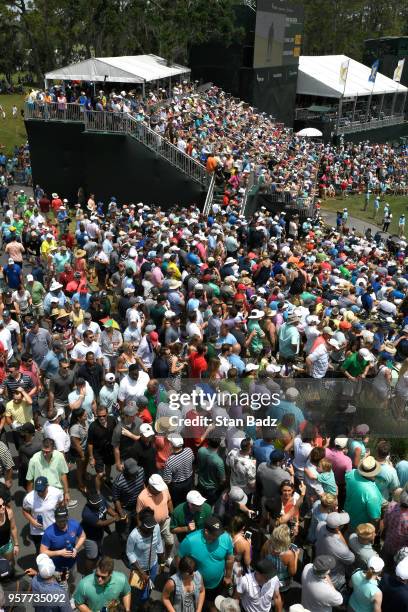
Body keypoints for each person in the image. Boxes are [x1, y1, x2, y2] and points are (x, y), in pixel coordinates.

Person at [176, 516, 234, 603]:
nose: (219, 536)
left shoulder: (225, 538)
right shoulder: (190, 541)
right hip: (196, 584)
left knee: (212, 604)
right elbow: (178, 559)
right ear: (206, 531)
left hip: (217, 584)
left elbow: (229, 559)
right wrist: (183, 579)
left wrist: (228, 576)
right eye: (216, 534)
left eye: (220, 533)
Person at [126, 507, 165, 604]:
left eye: (152, 526)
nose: (152, 529)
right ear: (142, 524)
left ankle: (144, 604)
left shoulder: (155, 527)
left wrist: (162, 563)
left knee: (148, 588)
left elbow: (159, 544)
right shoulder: (133, 535)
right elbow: (129, 553)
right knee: (137, 590)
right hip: (139, 569)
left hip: (153, 565)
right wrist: (142, 572)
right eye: (149, 527)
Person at [26, 437, 77, 508]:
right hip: (41, 495)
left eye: (47, 452)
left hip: (57, 493)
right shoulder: (34, 460)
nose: (44, 454)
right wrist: (30, 499)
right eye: (43, 451)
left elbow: (63, 475)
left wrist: (66, 493)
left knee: (60, 517)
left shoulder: (59, 456)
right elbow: (30, 480)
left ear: (53, 450)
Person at [22, 476, 64, 553]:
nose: (40, 493)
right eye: (38, 491)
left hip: (54, 529)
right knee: (41, 554)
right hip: (38, 532)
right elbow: (24, 510)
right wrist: (32, 521)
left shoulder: (56, 493)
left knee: (56, 551)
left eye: (42, 490)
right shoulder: (29, 498)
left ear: (47, 486)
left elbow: (61, 504)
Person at [40, 505, 85, 575]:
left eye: (63, 520)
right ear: (55, 518)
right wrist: (60, 552)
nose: (61, 523)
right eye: (59, 521)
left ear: (67, 517)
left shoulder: (74, 525)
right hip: (56, 568)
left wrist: (76, 548)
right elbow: (42, 552)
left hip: (72, 564)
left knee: (71, 582)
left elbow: (82, 536)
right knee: (58, 585)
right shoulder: (49, 532)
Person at [344, 456, 382, 532]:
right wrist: (374, 533)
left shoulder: (351, 473)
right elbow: (375, 518)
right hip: (360, 528)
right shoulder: (373, 493)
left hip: (347, 516)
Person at [113, 458, 145, 545]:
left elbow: (143, 485)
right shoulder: (118, 482)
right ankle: (125, 550)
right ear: (125, 471)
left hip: (138, 504)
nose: (135, 475)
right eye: (132, 474)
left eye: (136, 473)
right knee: (124, 532)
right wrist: (122, 513)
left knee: (138, 526)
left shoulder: (141, 470)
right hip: (125, 508)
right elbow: (116, 499)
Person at [87, 404, 116, 494]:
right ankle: (98, 492)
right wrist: (91, 458)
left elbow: (117, 432)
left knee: (108, 466)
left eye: (104, 416)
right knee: (100, 474)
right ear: (96, 415)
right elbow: (90, 443)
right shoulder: (93, 427)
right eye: (99, 416)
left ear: (107, 414)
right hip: (98, 453)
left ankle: (107, 480)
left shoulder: (112, 420)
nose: (102, 418)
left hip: (109, 451)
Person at [0, 495, 19, 564]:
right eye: (0, 506)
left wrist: (16, 545)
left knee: (10, 564)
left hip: (6, 546)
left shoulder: (9, 512)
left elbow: (13, 528)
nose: (3, 507)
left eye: (3, 504)